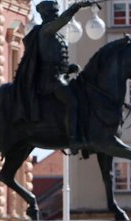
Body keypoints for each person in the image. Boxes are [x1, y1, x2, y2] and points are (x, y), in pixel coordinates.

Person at [14, 0, 94, 152]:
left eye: (56, 12)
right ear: (45, 14)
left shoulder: (55, 35)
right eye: (53, 12)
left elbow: (54, 59)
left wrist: (68, 68)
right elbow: (63, 21)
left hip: (59, 76)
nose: (56, 14)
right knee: (72, 102)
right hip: (49, 80)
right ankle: (72, 139)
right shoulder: (46, 30)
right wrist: (75, 7)